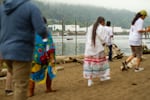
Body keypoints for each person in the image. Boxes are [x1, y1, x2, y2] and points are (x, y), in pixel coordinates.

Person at [0, 0, 48, 100]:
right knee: (21, 86)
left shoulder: (2, 8)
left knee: (16, 80)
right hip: (21, 51)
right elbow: (41, 29)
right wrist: (45, 37)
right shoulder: (30, 7)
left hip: (4, 51)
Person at [28, 17, 57, 97]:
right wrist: (51, 58)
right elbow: (50, 45)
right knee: (49, 70)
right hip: (44, 55)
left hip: (33, 55)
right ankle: (48, 88)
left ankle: (30, 92)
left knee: (32, 73)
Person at [83, 16, 111, 87]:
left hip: (89, 49)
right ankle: (103, 77)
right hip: (98, 48)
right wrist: (107, 43)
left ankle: (90, 81)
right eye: (104, 22)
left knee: (90, 65)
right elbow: (104, 38)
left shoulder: (90, 27)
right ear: (102, 21)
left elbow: (87, 38)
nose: (104, 23)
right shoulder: (101, 28)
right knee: (102, 63)